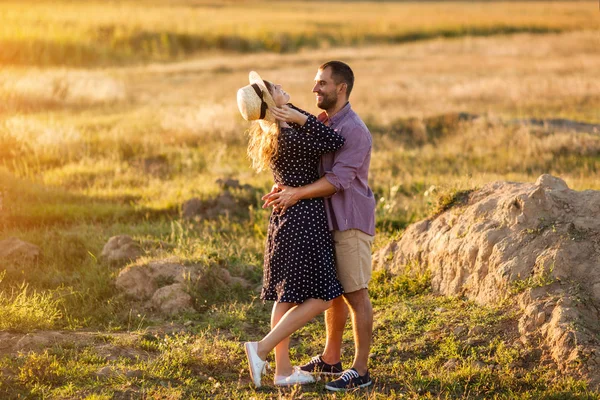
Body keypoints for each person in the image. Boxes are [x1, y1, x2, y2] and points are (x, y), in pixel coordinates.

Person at [262, 61, 376, 391]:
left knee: (355, 293)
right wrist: (285, 187)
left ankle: (361, 370)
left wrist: (297, 194)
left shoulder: (354, 130)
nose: (315, 89)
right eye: (315, 82)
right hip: (321, 219)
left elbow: (338, 180)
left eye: (322, 83)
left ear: (341, 88)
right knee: (334, 293)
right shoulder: (322, 122)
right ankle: (331, 357)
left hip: (348, 220)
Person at [237, 71, 347, 388]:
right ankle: (261, 348)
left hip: (287, 221)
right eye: (276, 89)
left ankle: (283, 371)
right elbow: (334, 141)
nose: (284, 88)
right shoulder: (292, 136)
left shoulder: (277, 133)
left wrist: (294, 114)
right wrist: (301, 117)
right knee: (325, 297)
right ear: (273, 103)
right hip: (304, 220)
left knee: (286, 298)